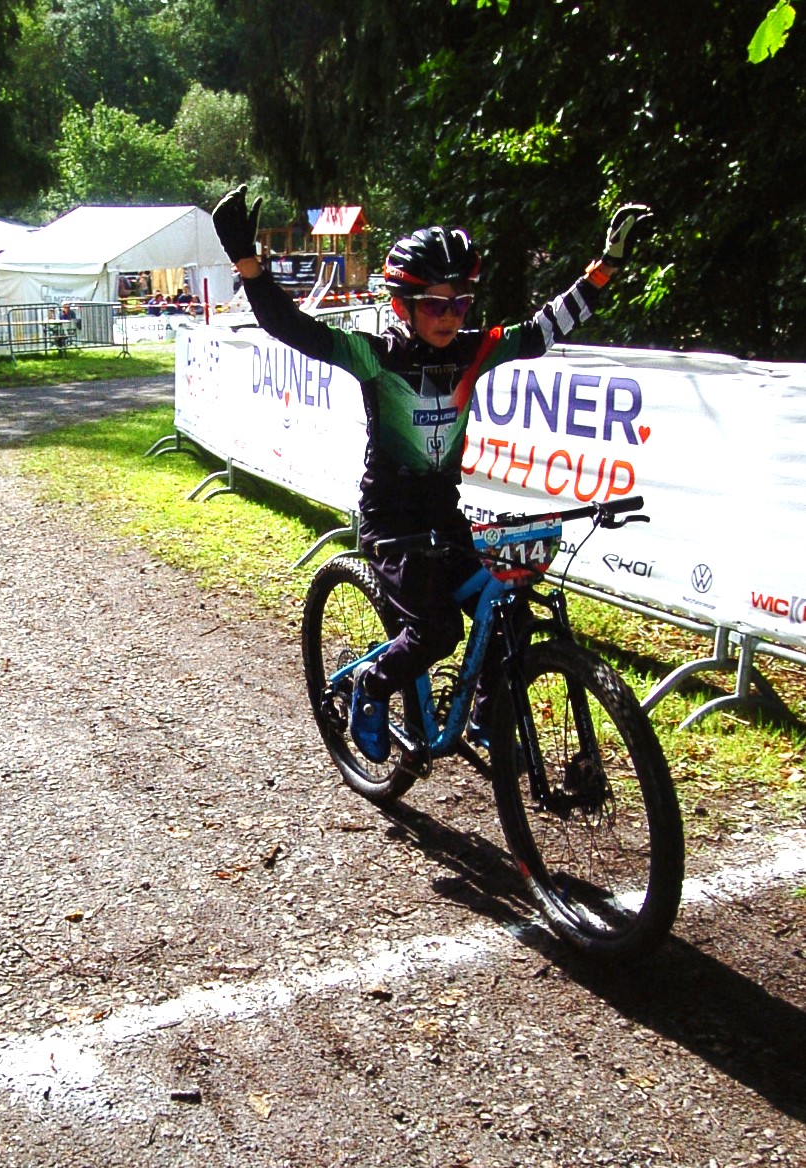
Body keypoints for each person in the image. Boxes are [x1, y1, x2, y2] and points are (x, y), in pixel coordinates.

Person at [212, 185, 652, 763]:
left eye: (460, 304)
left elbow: (546, 327)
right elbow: (293, 328)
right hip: (392, 525)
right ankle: (371, 688)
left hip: (445, 517)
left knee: (512, 611)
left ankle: (487, 716)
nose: (449, 317)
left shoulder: (475, 350)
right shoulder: (375, 356)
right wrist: (248, 264)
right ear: (402, 305)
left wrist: (605, 268)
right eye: (434, 304)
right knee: (438, 631)